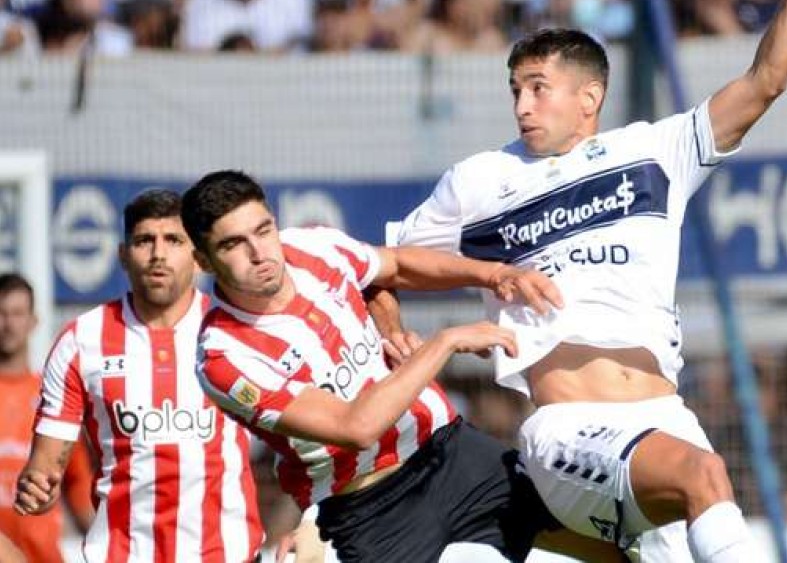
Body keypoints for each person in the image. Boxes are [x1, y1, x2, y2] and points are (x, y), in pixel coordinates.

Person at [383, 0, 787, 561]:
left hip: (664, 420)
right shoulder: (480, 181)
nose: (522, 104)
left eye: (537, 86)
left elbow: (766, 81)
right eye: (515, 89)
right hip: (567, 429)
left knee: (698, 489)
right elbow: (378, 265)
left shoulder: (654, 153)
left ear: (590, 97)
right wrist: (392, 332)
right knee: (705, 475)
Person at [181, 170, 619, 563]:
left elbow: (394, 266)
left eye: (263, 230)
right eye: (233, 244)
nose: (259, 253)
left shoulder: (311, 248)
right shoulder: (224, 357)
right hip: (370, 507)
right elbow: (356, 427)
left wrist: (493, 275)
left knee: (602, 547)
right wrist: (444, 342)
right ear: (203, 262)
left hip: (451, 451)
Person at [14, 189, 264, 562]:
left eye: (173, 240)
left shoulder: (237, 333)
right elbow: (45, 468)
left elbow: (301, 441)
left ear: (198, 257)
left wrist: (308, 521)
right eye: (145, 240)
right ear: (123, 255)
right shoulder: (81, 341)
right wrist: (37, 489)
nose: (158, 254)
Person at [0, 273, 94, 563]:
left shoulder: (54, 397)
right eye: (1, 314)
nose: (8, 324)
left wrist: (101, 543)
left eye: (17, 313)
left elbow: (77, 481)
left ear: (33, 321)